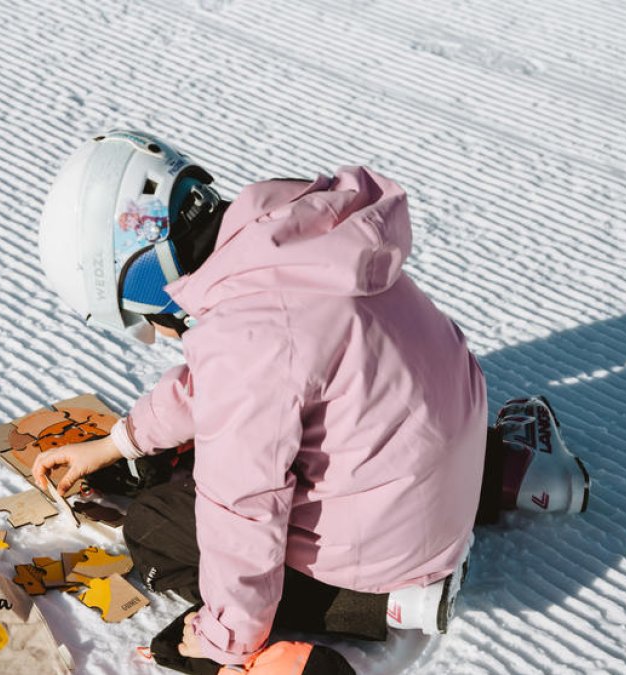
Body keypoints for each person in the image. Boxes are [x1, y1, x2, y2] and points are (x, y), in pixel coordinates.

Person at [31, 130, 590, 674]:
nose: (156, 330)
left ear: (144, 274)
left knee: (157, 528)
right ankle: (517, 473)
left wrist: (223, 639)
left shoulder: (247, 339)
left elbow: (243, 510)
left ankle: (384, 605)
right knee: (363, 412)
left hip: (395, 541)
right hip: (454, 458)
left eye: (140, 315)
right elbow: (229, 383)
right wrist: (117, 443)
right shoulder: (295, 238)